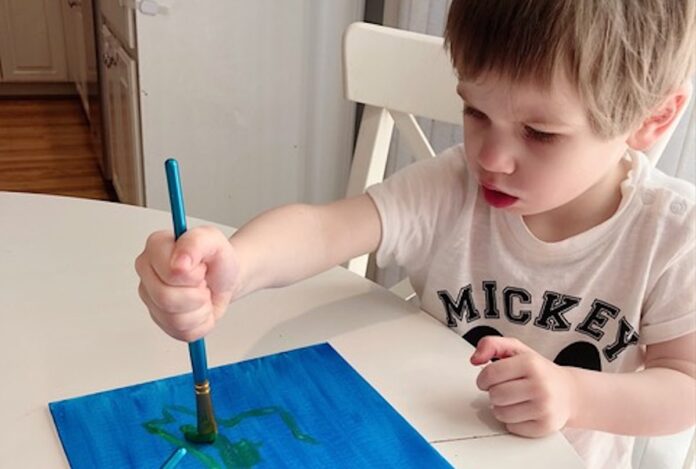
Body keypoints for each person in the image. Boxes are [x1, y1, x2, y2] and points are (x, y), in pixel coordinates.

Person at [135, 1, 696, 467]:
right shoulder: (452, 188)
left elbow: (685, 386)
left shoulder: (671, 235)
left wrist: (573, 394)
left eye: (539, 133)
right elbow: (326, 229)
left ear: (654, 118)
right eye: (475, 112)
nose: (491, 158)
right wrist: (235, 263)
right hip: (409, 442)